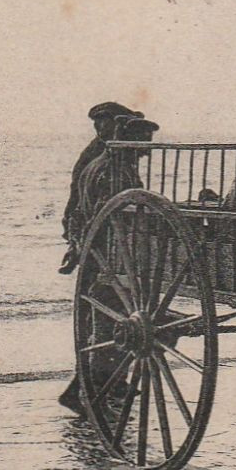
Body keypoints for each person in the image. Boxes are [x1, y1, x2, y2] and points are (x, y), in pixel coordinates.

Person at [57, 114, 158, 415]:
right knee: (110, 328)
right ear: (130, 141)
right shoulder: (114, 171)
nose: (147, 148)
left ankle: (96, 387)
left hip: (100, 254)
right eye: (143, 141)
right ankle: (86, 390)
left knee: (104, 325)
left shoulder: (102, 163)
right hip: (111, 259)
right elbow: (113, 213)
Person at [59, 102, 142, 274]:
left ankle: (77, 249)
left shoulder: (117, 148)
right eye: (98, 122)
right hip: (97, 214)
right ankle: (75, 249)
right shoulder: (100, 152)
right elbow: (77, 191)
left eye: (102, 121)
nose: (99, 127)